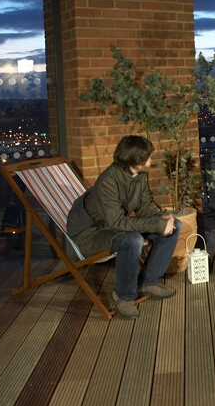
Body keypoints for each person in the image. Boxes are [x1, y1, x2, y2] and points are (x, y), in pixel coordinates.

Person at [67, 135, 180, 319]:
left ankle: (148, 282)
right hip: (90, 233)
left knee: (175, 225)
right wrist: (158, 224)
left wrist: (162, 218)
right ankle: (123, 296)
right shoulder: (108, 182)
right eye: (148, 157)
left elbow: (143, 207)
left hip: (112, 225)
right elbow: (118, 222)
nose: (151, 160)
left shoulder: (139, 175)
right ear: (136, 162)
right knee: (132, 240)